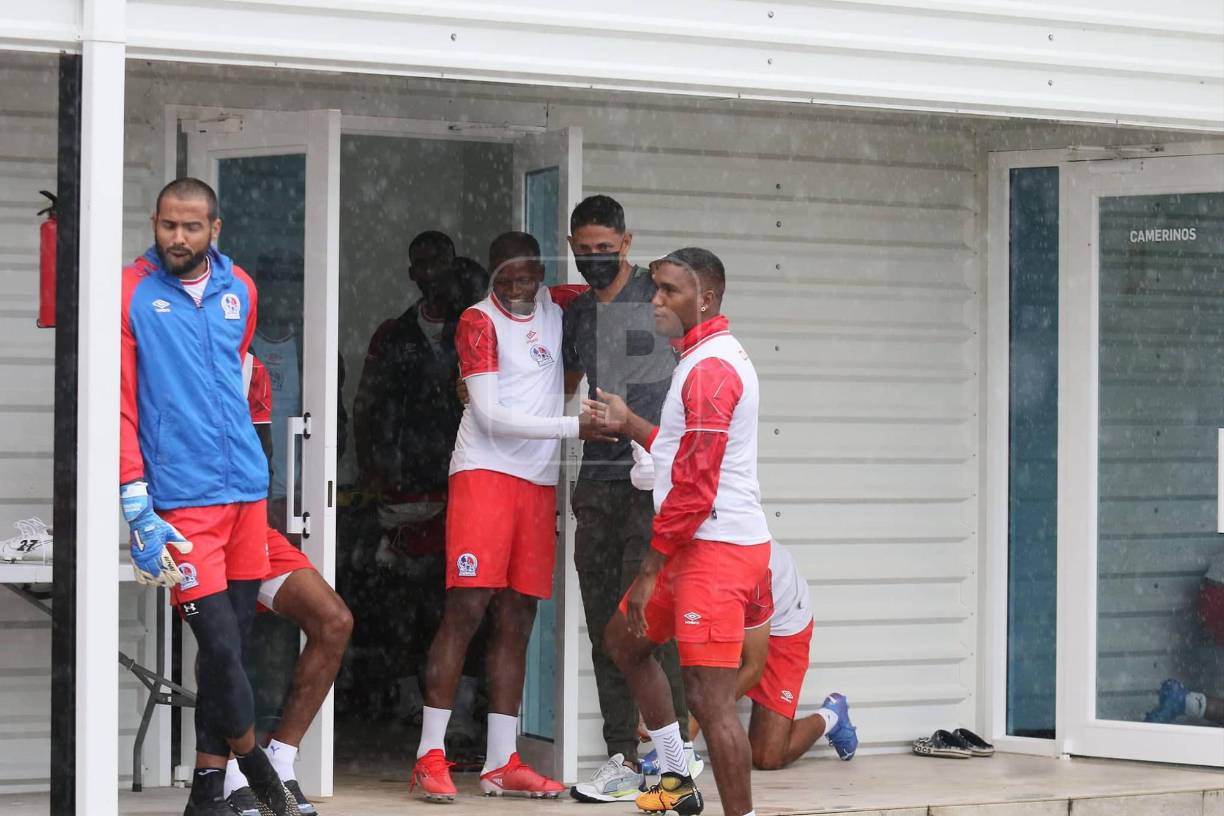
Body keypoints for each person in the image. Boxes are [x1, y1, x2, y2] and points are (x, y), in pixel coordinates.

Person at [120, 177, 296, 816]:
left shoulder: (239, 288)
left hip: (247, 493)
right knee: (217, 647)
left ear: (214, 230)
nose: (178, 238)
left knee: (234, 653)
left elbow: (239, 376)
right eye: (168, 224)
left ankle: (206, 793)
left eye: (192, 227)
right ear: (155, 222)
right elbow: (120, 403)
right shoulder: (131, 292)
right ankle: (258, 771)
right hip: (182, 500)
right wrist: (134, 497)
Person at [409, 232, 607, 801]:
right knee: (467, 607)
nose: (520, 288)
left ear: (542, 273)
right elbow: (492, 417)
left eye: (529, 277)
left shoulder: (558, 303)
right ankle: (429, 755)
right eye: (508, 279)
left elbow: (611, 290)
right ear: (491, 276)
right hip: (484, 474)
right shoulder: (477, 321)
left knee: (519, 616)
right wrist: (576, 427)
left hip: (537, 482)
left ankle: (501, 761)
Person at [587, 248, 772, 816]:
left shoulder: (712, 370)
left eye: (669, 291)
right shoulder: (695, 358)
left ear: (706, 300)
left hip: (714, 551)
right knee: (624, 642)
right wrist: (628, 423)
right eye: (656, 289)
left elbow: (694, 486)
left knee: (711, 703)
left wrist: (648, 571)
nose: (656, 301)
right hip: (692, 544)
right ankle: (676, 777)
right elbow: (678, 450)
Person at [562, 196, 695, 805]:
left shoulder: (660, 298)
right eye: (582, 251)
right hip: (597, 486)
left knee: (645, 630)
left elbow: (698, 391)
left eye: (603, 249)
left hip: (654, 486)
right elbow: (562, 391)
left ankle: (675, 761)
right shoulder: (579, 315)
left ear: (626, 242)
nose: (592, 260)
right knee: (601, 629)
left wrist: (641, 427)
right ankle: (621, 756)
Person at [353, 239, 489, 744]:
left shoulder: (475, 328)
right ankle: (415, 705)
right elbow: (367, 405)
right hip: (404, 489)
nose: (434, 275)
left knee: (461, 602)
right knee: (403, 605)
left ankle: (465, 710)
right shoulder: (393, 334)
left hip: (464, 485)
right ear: (413, 272)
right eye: (425, 266)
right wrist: (371, 470)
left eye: (443, 265)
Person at [222, 353, 355, 816]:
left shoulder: (251, 367)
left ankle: (279, 760)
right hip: (190, 520)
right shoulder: (169, 344)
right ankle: (233, 773)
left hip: (247, 522)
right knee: (224, 637)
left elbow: (262, 453)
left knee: (333, 620)